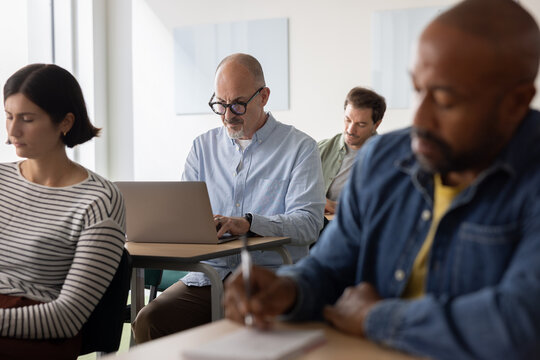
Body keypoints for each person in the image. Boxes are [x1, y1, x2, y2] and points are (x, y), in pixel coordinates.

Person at [224, 1, 540, 359]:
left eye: (446, 100)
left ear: (516, 103)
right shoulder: (383, 162)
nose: (419, 118)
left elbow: (522, 326)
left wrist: (377, 318)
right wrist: (287, 289)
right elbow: (329, 268)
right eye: (418, 90)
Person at [132, 53, 325, 342]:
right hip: (207, 278)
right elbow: (184, 216)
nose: (226, 115)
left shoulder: (300, 148)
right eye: (220, 104)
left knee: (245, 338)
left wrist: (249, 223)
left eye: (237, 104)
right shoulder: (202, 148)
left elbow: (309, 224)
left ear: (264, 96)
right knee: (150, 320)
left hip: (268, 279)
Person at [0, 64, 126, 360]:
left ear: (65, 122)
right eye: (8, 116)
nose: (13, 130)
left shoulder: (99, 200)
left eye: (27, 119)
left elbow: (66, 317)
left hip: (37, 331)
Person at [318, 87, 386, 214]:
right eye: (347, 120)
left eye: (360, 124)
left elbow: (386, 205)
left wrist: (335, 207)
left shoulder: (387, 157)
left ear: (376, 124)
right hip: (320, 229)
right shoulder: (319, 150)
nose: (350, 130)